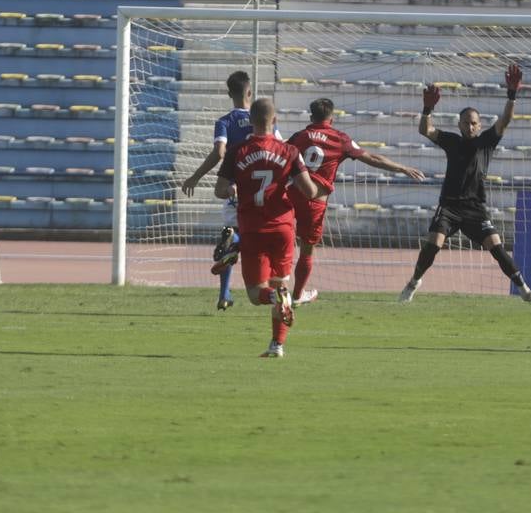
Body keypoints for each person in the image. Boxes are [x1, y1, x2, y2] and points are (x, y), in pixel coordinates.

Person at [397, 64, 531, 306]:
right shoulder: (451, 141)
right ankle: (414, 282)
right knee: (433, 245)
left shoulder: (486, 142)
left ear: (479, 125)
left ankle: (526, 292)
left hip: (475, 209)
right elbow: (425, 129)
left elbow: (506, 120)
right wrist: (427, 109)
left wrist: (512, 94)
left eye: (474, 123)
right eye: (466, 122)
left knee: (497, 248)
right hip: (448, 207)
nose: (470, 126)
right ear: (459, 124)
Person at [286, 98, 427, 304]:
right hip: (315, 201)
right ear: (331, 119)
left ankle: (276, 285)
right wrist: (401, 168)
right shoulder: (339, 138)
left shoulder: (299, 136)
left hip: (291, 194)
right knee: (307, 249)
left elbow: (279, 156)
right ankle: (298, 295)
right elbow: (371, 158)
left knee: (282, 240)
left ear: (311, 117)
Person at [215, 98, 319, 358]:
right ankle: (277, 345)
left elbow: (219, 191)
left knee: (255, 294)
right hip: (283, 227)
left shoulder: (237, 151)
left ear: (251, 120)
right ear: (275, 120)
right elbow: (309, 191)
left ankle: (274, 300)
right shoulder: (289, 151)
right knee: (281, 285)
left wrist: (232, 188)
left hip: (252, 228)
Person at [180, 71, 276, 311]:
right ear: (249, 92)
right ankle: (271, 284)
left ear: (228, 94)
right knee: (260, 236)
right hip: (262, 190)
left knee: (233, 234)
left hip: (234, 186)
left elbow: (220, 153)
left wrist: (195, 177)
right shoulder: (264, 120)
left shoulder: (225, 122)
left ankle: (224, 294)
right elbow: (277, 150)